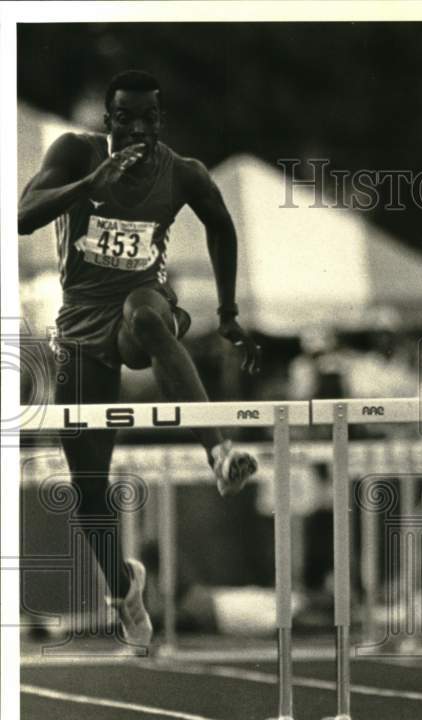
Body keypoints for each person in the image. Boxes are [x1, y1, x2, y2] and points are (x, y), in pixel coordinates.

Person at [19, 70, 262, 649]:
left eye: (148, 119)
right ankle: (123, 587)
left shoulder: (181, 172)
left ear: (159, 121)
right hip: (80, 327)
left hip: (139, 310)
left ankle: (220, 451)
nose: (136, 129)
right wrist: (87, 185)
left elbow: (222, 227)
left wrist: (227, 312)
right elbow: (22, 216)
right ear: (108, 120)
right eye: (124, 118)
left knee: (148, 314)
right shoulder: (76, 153)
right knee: (89, 490)